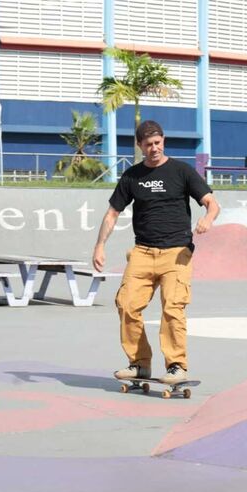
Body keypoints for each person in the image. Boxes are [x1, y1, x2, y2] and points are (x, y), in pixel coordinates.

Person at [92, 120, 220, 384]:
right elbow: (112, 213)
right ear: (140, 146)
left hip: (177, 254)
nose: (154, 149)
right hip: (142, 252)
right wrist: (100, 245)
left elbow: (211, 203)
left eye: (158, 143)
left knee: (173, 308)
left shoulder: (181, 171)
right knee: (126, 305)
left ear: (163, 141)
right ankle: (139, 363)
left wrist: (207, 219)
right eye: (148, 144)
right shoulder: (131, 176)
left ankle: (176, 366)